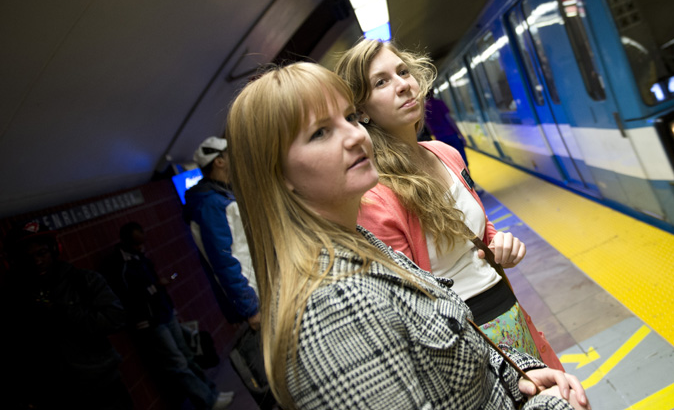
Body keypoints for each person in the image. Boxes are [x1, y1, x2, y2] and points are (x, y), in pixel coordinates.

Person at [225, 61, 589, 410]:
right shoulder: (336, 307)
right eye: (320, 132)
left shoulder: (362, 244)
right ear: (278, 175)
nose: (354, 136)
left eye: (349, 118)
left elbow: (455, 363)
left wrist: (521, 377)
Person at [334, 40, 563, 370]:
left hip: (510, 311)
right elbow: (410, 302)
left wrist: (499, 243)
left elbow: (479, 230)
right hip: (467, 342)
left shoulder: (445, 153)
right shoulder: (374, 196)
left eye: (402, 72)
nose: (402, 85)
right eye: (381, 82)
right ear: (362, 111)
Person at [1, 221, 133, 410]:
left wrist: (62, 311)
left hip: (103, 386)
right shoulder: (14, 299)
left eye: (42, 253)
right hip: (58, 396)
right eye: (27, 257)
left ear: (55, 250)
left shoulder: (83, 280)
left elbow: (115, 318)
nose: (37, 261)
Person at [183, 136, 275, 408]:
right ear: (219, 161)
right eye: (229, 154)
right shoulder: (210, 203)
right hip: (255, 296)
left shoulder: (220, 194)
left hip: (261, 289)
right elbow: (224, 262)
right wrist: (250, 309)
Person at [107, 222, 232, 410]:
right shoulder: (120, 265)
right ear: (125, 241)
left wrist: (172, 309)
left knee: (188, 356)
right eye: (136, 243)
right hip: (150, 322)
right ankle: (208, 400)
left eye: (142, 242)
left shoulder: (140, 257)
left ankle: (212, 393)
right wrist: (154, 287)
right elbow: (127, 297)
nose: (140, 247)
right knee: (177, 362)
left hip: (165, 313)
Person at [423, 89, 469, 165]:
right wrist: (461, 135)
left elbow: (428, 127)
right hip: (451, 134)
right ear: (433, 92)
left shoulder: (425, 109)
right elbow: (449, 119)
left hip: (440, 139)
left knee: (451, 163)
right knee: (462, 160)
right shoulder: (439, 103)